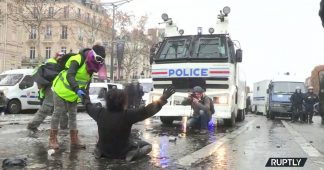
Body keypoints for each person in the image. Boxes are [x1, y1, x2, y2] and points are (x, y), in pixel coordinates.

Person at [82, 86, 175, 162]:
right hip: (123, 151)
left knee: (129, 140)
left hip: (104, 150)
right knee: (148, 146)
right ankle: (132, 154)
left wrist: (85, 96)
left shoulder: (100, 113)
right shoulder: (128, 115)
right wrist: (163, 98)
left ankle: (99, 151)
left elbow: (88, 106)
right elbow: (147, 111)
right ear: (123, 101)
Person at [48, 43, 106, 150]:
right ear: (93, 55)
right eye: (98, 59)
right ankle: (52, 139)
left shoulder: (91, 68)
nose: (99, 63)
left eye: (101, 61)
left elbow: (86, 86)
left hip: (73, 94)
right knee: (58, 112)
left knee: (73, 115)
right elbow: (70, 75)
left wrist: (87, 101)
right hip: (61, 89)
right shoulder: (78, 59)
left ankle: (74, 140)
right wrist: (77, 89)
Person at [27, 52, 69, 136]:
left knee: (62, 109)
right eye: (60, 56)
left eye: (62, 56)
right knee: (48, 108)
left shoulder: (53, 64)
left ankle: (64, 127)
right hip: (52, 88)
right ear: (56, 56)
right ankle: (32, 125)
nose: (61, 58)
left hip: (56, 88)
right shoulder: (52, 64)